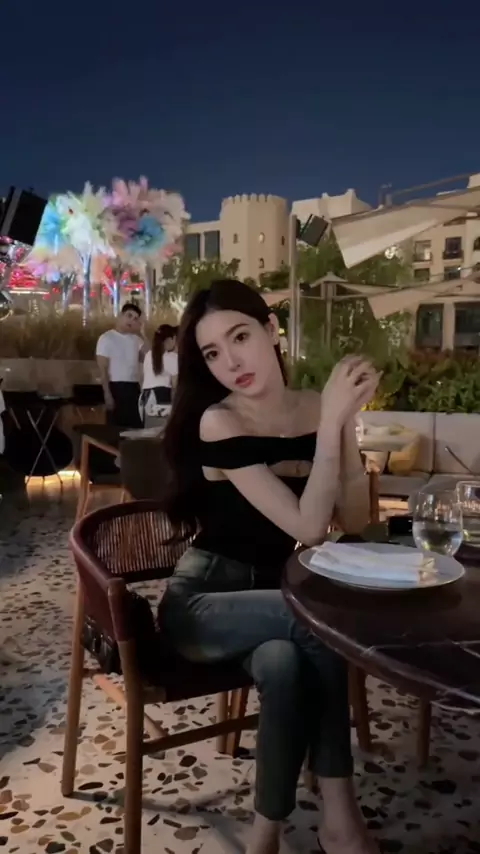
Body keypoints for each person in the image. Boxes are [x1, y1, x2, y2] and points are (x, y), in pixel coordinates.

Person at [158, 279, 381, 854]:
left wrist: (340, 424)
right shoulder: (220, 421)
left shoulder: (315, 408)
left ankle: (265, 837)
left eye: (240, 337)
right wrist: (330, 424)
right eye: (213, 352)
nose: (231, 362)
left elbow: (354, 516)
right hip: (205, 603)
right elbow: (310, 528)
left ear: (271, 330)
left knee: (283, 664)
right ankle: (341, 815)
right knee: (318, 624)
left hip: (278, 602)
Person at [96, 303, 148, 428]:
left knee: (136, 427)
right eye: (129, 316)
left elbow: (150, 354)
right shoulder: (106, 338)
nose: (131, 320)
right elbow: (103, 369)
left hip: (133, 387)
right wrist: (107, 393)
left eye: (135, 319)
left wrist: (143, 333)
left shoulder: (136, 339)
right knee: (116, 428)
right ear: (120, 315)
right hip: (116, 387)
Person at [139, 324, 178, 427]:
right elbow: (176, 386)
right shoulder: (172, 358)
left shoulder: (148, 355)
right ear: (170, 339)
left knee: (149, 430)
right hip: (161, 397)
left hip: (145, 398)